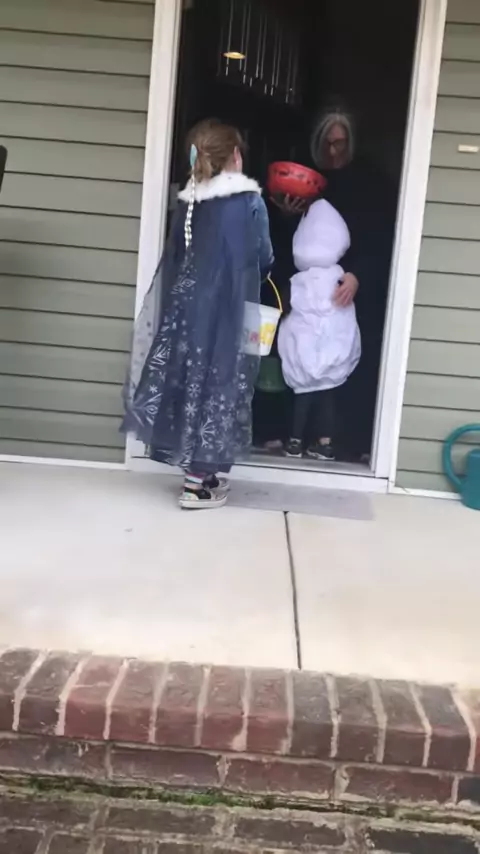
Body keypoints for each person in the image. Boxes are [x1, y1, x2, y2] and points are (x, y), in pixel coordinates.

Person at [123, 119, 274, 509]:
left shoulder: (190, 200)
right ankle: (197, 485)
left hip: (187, 311)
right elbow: (262, 256)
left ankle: (201, 472)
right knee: (220, 386)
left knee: (190, 385)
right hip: (226, 313)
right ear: (236, 156)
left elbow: (178, 255)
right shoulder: (249, 202)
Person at [274, 105, 395, 460]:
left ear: (351, 143)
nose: (332, 151)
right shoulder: (304, 179)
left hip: (352, 293)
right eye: (326, 143)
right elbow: (289, 247)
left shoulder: (369, 182)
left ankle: (343, 442)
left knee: (348, 362)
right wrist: (286, 216)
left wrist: (358, 275)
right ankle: (289, 435)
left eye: (339, 143)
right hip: (306, 295)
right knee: (296, 358)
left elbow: (381, 237)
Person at [278, 199, 361, 460]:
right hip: (329, 350)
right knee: (326, 393)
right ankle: (325, 443)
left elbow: (289, 308)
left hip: (303, 349)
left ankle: (295, 440)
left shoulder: (299, 279)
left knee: (303, 394)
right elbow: (343, 314)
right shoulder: (339, 277)